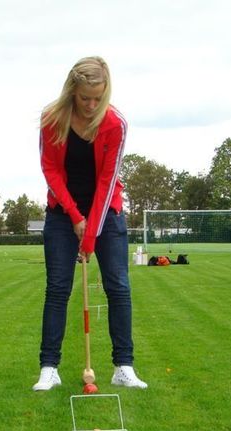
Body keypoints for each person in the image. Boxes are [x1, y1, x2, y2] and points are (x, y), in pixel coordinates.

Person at [33, 56, 147, 391]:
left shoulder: (115, 123)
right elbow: (50, 171)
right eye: (85, 98)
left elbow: (108, 181)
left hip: (106, 214)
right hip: (61, 212)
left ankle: (123, 366)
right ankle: (48, 368)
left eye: (98, 97)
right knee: (57, 289)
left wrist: (91, 233)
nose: (91, 105)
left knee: (118, 287)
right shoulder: (52, 119)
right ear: (72, 92)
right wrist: (74, 216)